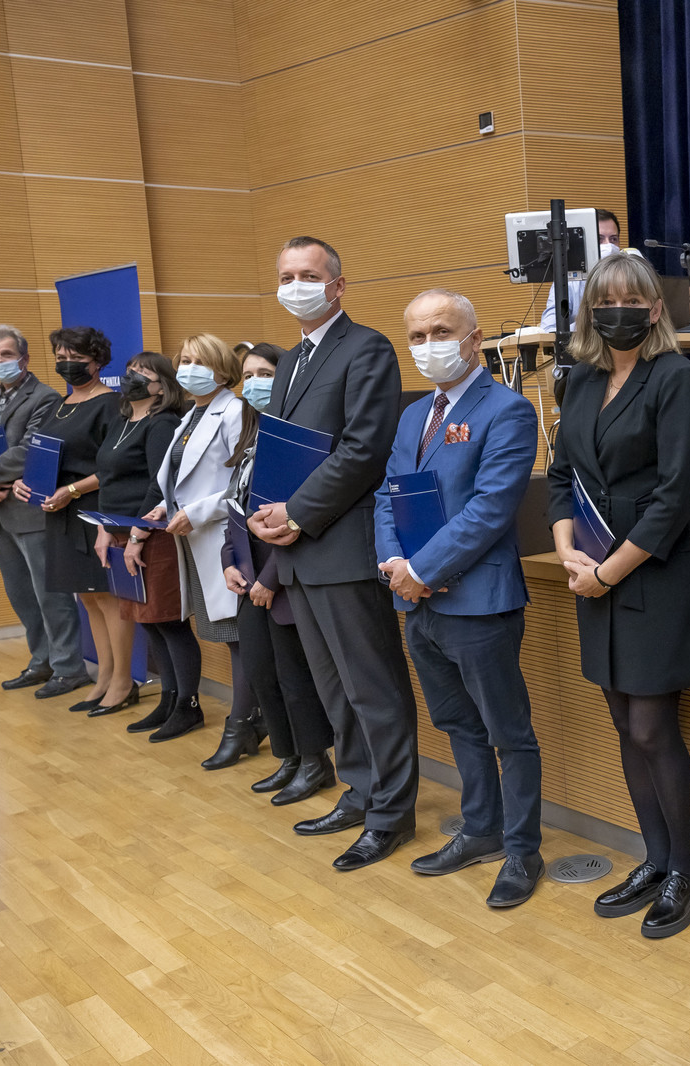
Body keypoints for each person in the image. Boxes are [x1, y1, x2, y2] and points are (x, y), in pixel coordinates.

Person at [546, 253, 690, 936]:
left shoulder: (677, 379)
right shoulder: (582, 381)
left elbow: (676, 498)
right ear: (590, 310)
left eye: (631, 300)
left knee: (650, 727)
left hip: (656, 576)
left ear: (655, 309)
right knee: (623, 723)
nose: (617, 310)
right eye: (605, 300)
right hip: (593, 575)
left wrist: (606, 572)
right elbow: (561, 475)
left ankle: (686, 872)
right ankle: (654, 858)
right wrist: (565, 550)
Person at [248, 236, 418, 872]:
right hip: (298, 554)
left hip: (342, 547)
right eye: (286, 275)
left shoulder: (366, 348)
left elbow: (363, 450)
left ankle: (391, 813)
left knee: (372, 689)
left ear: (338, 285)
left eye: (308, 274)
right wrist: (266, 511)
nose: (296, 285)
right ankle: (361, 791)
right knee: (334, 690)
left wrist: (295, 513)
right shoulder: (291, 360)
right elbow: (282, 451)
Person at [374, 289, 541, 890]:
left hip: (478, 603)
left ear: (474, 339)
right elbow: (387, 495)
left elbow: (490, 509)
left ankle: (522, 851)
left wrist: (421, 571)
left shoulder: (507, 410)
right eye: (417, 336)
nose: (428, 346)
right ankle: (481, 830)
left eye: (440, 332)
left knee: (507, 733)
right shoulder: (413, 415)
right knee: (457, 724)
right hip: (417, 602)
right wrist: (394, 562)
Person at [219, 344, 335, 792]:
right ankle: (288, 757)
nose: (254, 384)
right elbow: (235, 511)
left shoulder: (295, 439)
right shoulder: (250, 438)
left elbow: (301, 518)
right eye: (247, 376)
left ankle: (314, 761)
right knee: (262, 674)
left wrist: (269, 579)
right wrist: (229, 562)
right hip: (247, 577)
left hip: (284, 577)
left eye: (265, 374)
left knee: (295, 677)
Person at [128, 334, 246, 743]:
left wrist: (194, 512)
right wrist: (165, 505)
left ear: (222, 370)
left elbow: (242, 483)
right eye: (184, 362)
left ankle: (242, 724)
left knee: (235, 636)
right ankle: (244, 721)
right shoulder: (191, 416)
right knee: (220, 632)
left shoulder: (234, 412)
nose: (188, 369)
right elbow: (182, 479)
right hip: (192, 539)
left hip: (220, 536)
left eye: (200, 362)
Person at [12, 327, 132, 714]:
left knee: (109, 597)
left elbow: (114, 466)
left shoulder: (111, 403)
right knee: (88, 598)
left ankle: (123, 680)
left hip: (94, 508)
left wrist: (72, 490)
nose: (68, 364)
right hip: (59, 512)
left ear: (98, 361)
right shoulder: (59, 404)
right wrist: (25, 482)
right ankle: (104, 676)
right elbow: (42, 456)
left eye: (77, 358)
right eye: (61, 357)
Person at [0, 324, 86, 699]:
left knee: (50, 595)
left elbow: (28, 451)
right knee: (21, 594)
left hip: (32, 511)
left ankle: (69, 668)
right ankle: (42, 661)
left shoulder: (45, 397)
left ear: (24, 358)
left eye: (6, 353)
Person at [91, 352, 190, 728]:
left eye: (142, 374)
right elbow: (107, 479)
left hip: (150, 535)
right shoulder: (122, 420)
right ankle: (167, 700)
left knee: (167, 621)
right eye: (130, 371)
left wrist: (136, 535)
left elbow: (159, 485)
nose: (131, 377)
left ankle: (187, 705)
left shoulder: (162, 423)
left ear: (161, 386)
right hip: (120, 533)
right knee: (147, 622)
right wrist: (104, 528)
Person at [539, 209, 628, 331]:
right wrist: (589, 323)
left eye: (613, 239)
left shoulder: (631, 274)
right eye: (600, 239)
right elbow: (549, 329)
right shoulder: (569, 280)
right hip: (585, 342)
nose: (608, 245)